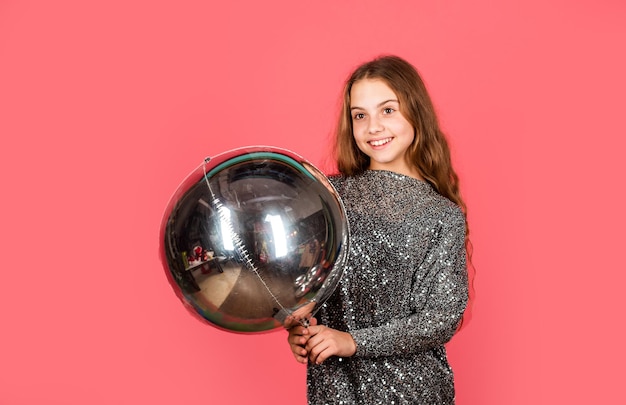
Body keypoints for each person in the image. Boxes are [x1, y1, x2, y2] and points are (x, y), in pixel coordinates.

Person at [286, 55, 471, 404]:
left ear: (416, 112)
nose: (373, 127)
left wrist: (352, 341)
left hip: (413, 393)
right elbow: (301, 280)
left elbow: (441, 317)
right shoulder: (329, 197)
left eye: (388, 110)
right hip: (336, 390)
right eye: (360, 115)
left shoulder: (442, 215)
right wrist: (299, 329)